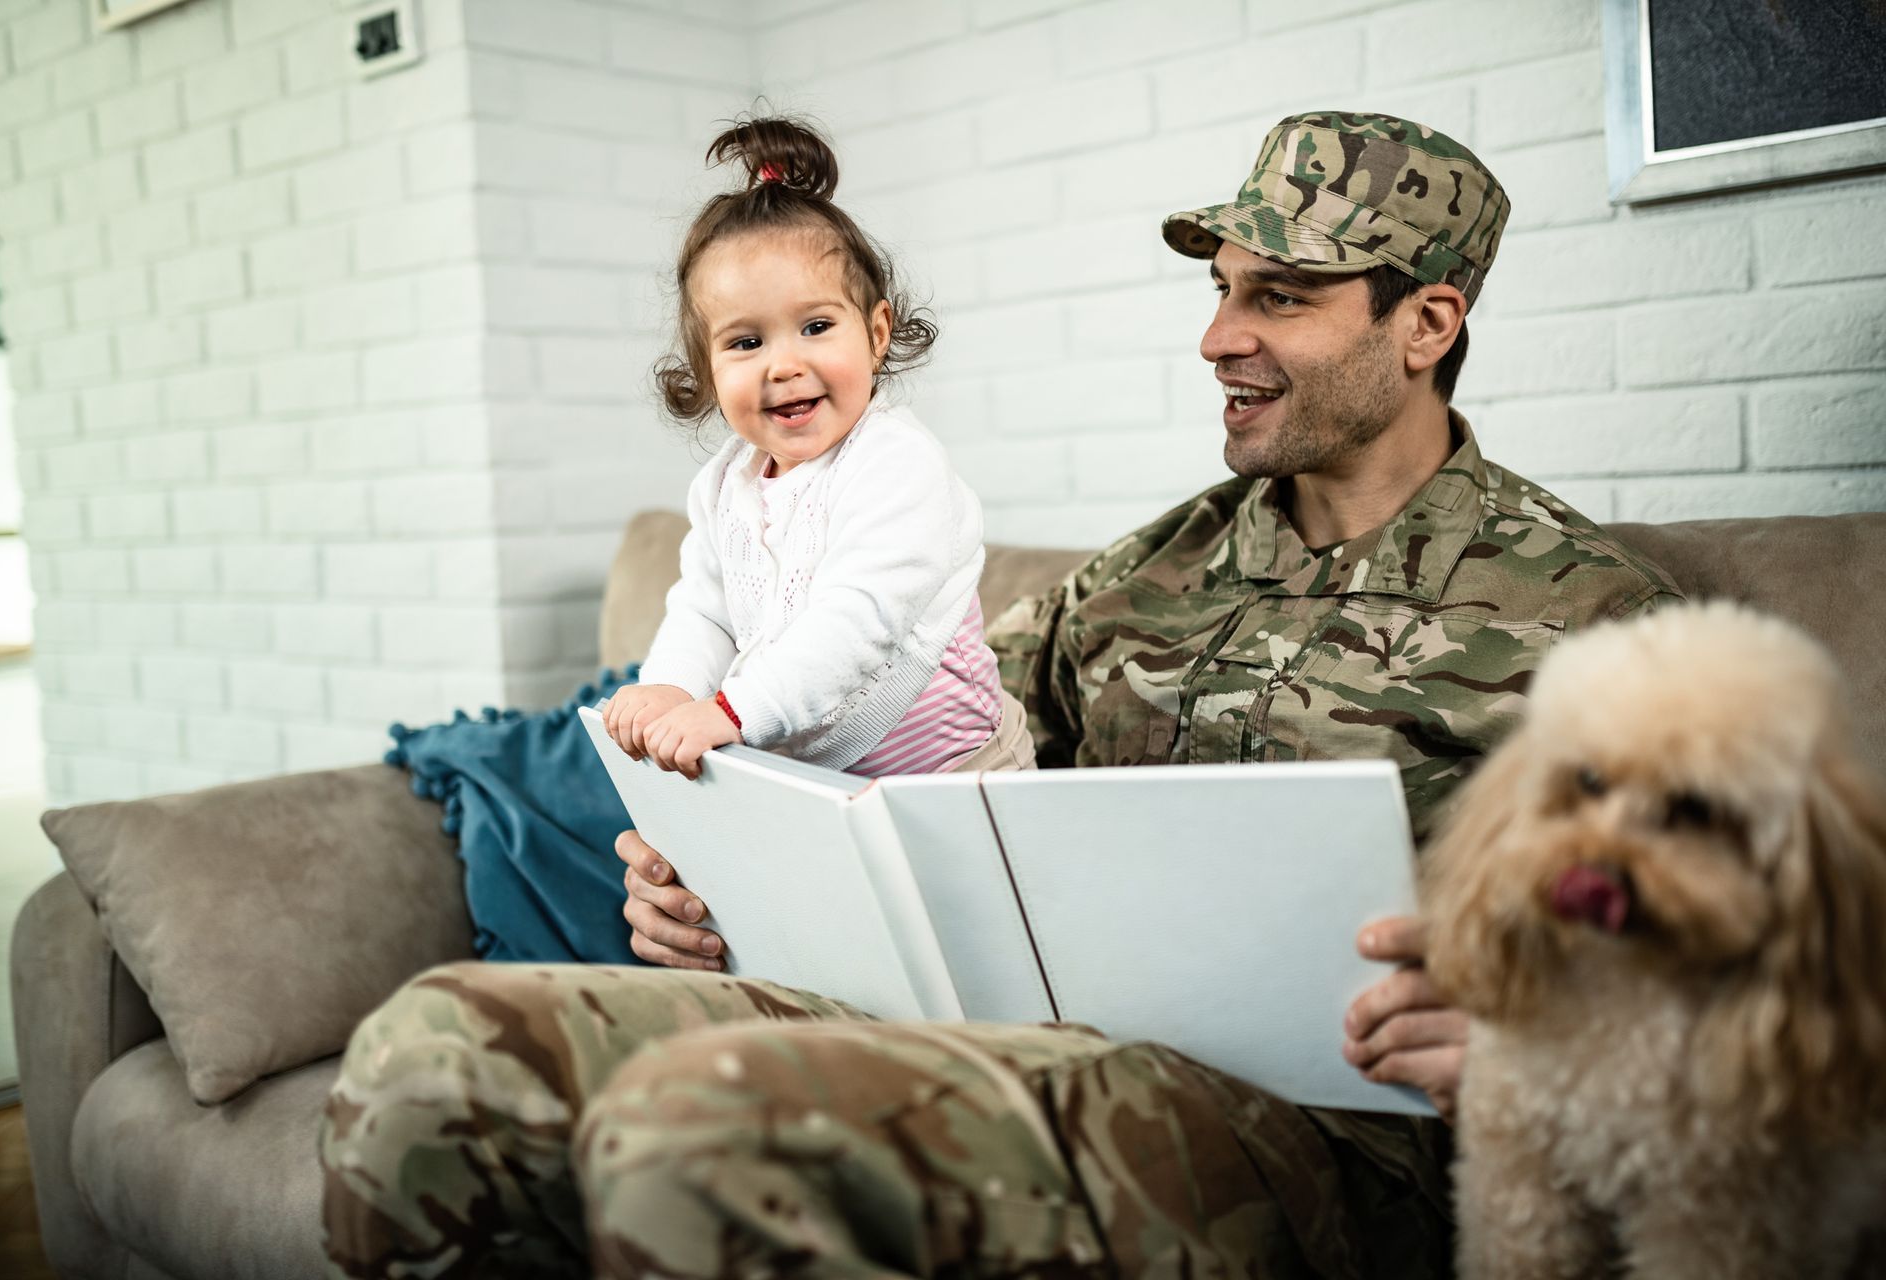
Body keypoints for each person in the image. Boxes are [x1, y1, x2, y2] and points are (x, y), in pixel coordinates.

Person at [321, 111, 1682, 1279]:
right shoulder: (1139, 580)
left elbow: (1739, 991)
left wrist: (1526, 1031)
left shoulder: (1598, 626)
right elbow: (897, 761)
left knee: (708, 1119)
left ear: (1426, 324)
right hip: (1006, 1039)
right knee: (439, 1056)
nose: (1217, 335)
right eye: (1219, 289)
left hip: (1318, 1138)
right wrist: (706, 883)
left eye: (1278, 296)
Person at [601, 115, 1034, 783]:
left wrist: (730, 710)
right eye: (746, 342)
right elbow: (704, 612)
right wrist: (670, 687)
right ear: (708, 366)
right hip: (826, 782)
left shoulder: (894, 463)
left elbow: (859, 618)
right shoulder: (724, 488)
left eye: (815, 326)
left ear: (877, 332)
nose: (784, 364)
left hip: (960, 774)